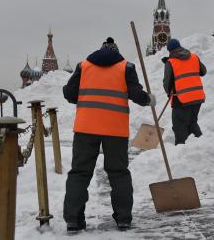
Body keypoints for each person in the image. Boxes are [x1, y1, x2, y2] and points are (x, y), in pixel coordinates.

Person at [62, 37, 156, 233]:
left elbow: (69, 93)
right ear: (117, 51)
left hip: (85, 129)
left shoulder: (84, 66)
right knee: (118, 173)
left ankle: (73, 220)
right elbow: (137, 95)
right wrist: (149, 99)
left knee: (79, 173)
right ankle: (123, 219)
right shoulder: (126, 67)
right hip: (115, 130)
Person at [162, 38, 206, 145]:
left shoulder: (171, 62)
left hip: (181, 99)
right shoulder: (194, 57)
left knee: (179, 126)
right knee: (192, 122)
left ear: (170, 51)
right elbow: (203, 71)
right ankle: (201, 145)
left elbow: (167, 83)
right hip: (197, 97)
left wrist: (169, 92)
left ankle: (180, 150)